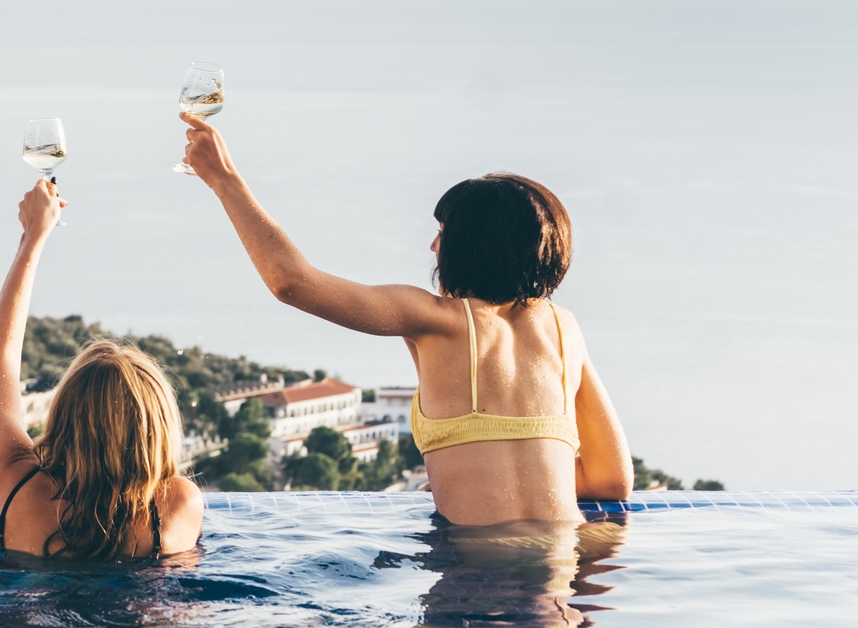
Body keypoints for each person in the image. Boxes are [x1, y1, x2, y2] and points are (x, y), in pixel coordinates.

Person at [178, 115, 630, 525]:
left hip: (477, 581)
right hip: (561, 578)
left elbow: (291, 282)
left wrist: (224, 180)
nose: (434, 248)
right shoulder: (564, 329)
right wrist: (496, 477)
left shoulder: (435, 319)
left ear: (471, 247)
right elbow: (613, 482)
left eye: (442, 235)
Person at [0, 179, 205, 560]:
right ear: (158, 426)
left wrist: (33, 236)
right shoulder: (178, 503)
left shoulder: (14, 484)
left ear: (68, 412)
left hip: (29, 618)